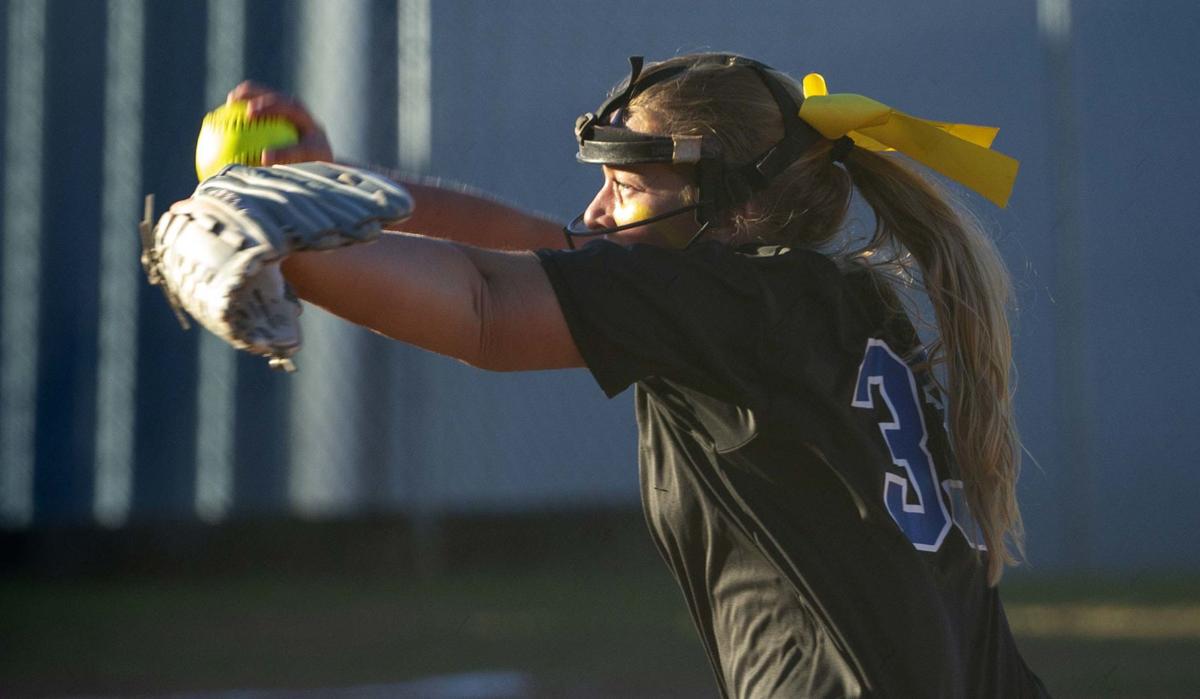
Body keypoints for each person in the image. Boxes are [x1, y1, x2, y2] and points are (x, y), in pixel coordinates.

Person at [228, 53, 1049, 697]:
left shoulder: (726, 306)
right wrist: (329, 191)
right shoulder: (827, 300)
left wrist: (282, 241)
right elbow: (536, 246)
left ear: (722, 206)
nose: (595, 211)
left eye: (622, 187)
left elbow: (482, 303)